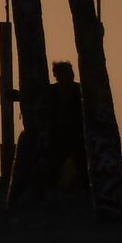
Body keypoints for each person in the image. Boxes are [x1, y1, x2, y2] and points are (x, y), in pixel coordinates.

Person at [48, 62, 88, 192]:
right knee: (54, 162)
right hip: (58, 133)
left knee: (81, 162)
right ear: (57, 75)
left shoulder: (80, 90)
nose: (71, 75)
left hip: (77, 133)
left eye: (71, 72)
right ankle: (51, 187)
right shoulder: (52, 91)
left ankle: (84, 188)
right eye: (67, 72)